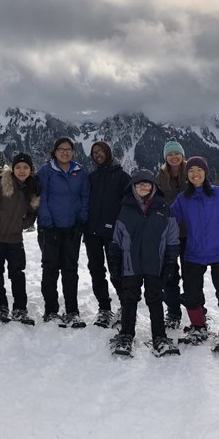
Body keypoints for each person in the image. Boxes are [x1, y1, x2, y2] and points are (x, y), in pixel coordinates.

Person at [170, 156, 219, 355]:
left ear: (205, 172)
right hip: (194, 253)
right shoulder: (183, 199)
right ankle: (198, 328)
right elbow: (169, 218)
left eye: (198, 170)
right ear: (187, 176)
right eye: (191, 171)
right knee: (191, 293)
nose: (195, 174)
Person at [108, 170, 181, 357]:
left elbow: (172, 238)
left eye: (147, 184)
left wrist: (171, 260)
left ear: (154, 187)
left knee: (155, 299)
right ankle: (126, 335)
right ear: (133, 187)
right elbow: (116, 238)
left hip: (155, 264)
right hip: (130, 264)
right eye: (139, 184)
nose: (143, 187)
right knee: (129, 298)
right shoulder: (125, 209)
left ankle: (159, 336)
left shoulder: (164, 209)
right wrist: (115, 260)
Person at [36, 137, 90, 328]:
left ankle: (72, 311)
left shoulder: (80, 172)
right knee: (50, 269)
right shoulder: (46, 170)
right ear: (55, 151)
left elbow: (85, 198)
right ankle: (51, 311)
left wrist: (81, 222)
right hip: (50, 229)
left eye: (68, 149)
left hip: (72, 229)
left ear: (73, 152)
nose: (65, 152)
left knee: (70, 270)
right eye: (61, 149)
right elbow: (41, 198)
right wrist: (47, 225)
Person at [0, 151, 42, 325]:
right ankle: (1, 305)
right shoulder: (2, 183)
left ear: (31, 170)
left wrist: (22, 225)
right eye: (18, 167)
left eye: (26, 167)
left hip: (16, 239)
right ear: (13, 168)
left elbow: (33, 213)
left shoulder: (32, 188)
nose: (22, 170)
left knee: (17, 274)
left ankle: (20, 308)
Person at [84, 140, 130, 328]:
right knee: (96, 270)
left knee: (116, 271)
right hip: (92, 232)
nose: (98, 154)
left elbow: (129, 205)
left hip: (113, 234)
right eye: (94, 152)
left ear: (108, 152)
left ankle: (125, 307)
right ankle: (104, 308)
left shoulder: (121, 177)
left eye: (101, 151)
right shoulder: (92, 177)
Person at [155, 137, 189, 329]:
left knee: (191, 274)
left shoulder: (192, 172)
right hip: (168, 233)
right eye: (170, 154)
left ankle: (196, 309)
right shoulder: (160, 177)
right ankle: (174, 312)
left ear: (182, 155)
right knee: (169, 273)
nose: (174, 157)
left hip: (190, 232)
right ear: (165, 157)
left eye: (177, 153)